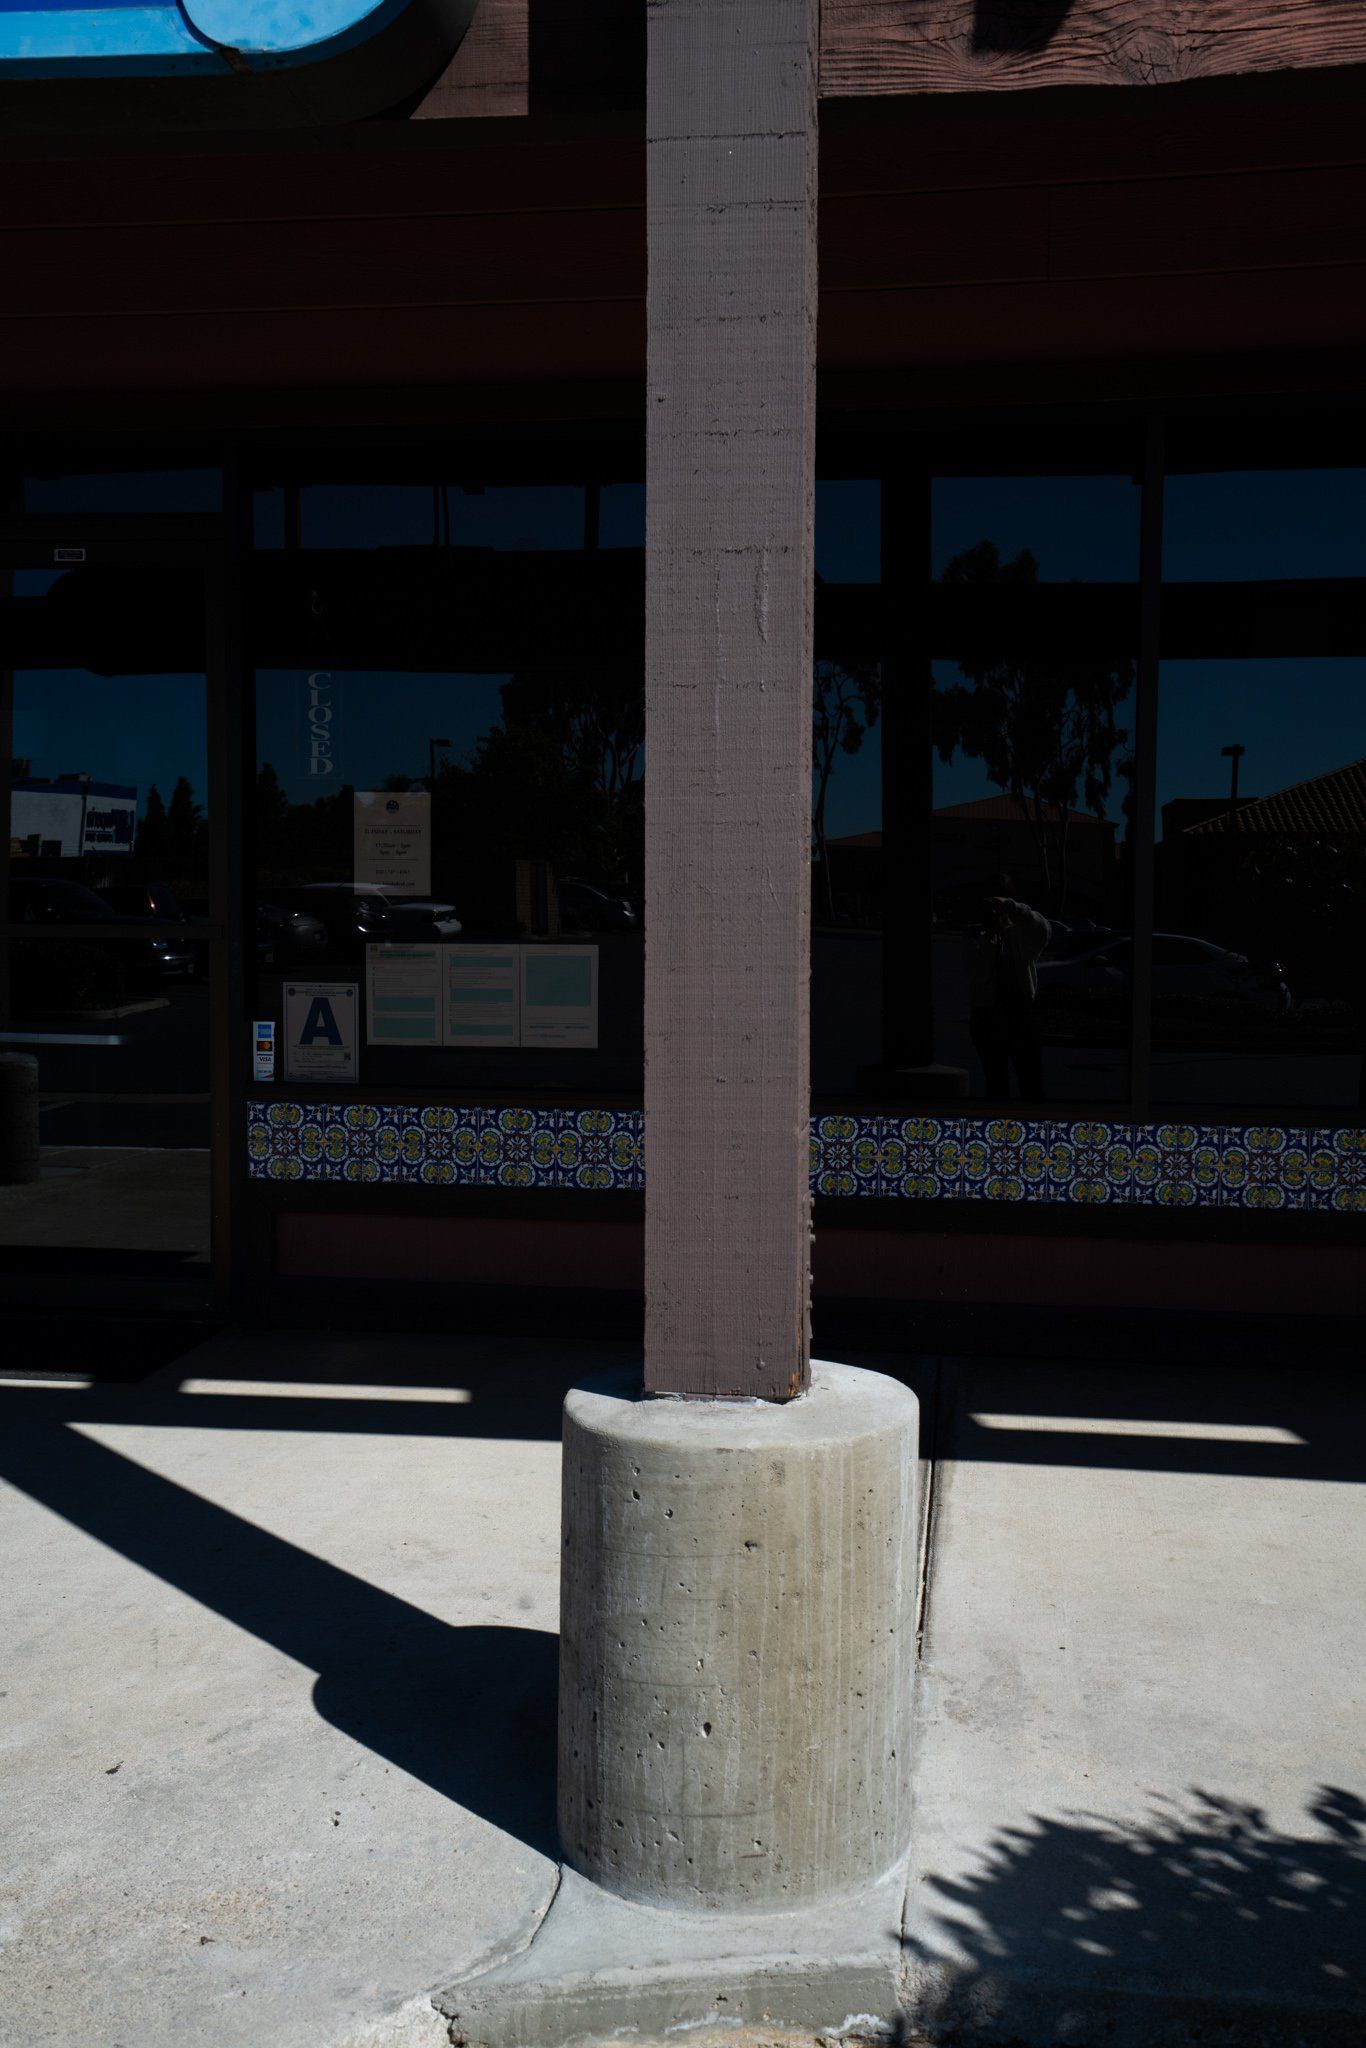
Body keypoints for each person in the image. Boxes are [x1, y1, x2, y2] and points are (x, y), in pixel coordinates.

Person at [967, 894, 1052, 1100]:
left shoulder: (1021, 941)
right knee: (997, 1086)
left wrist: (1013, 907)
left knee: (1031, 1085)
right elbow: (978, 974)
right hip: (989, 1017)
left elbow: (1043, 929)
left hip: (1019, 1015)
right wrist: (989, 937)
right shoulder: (975, 939)